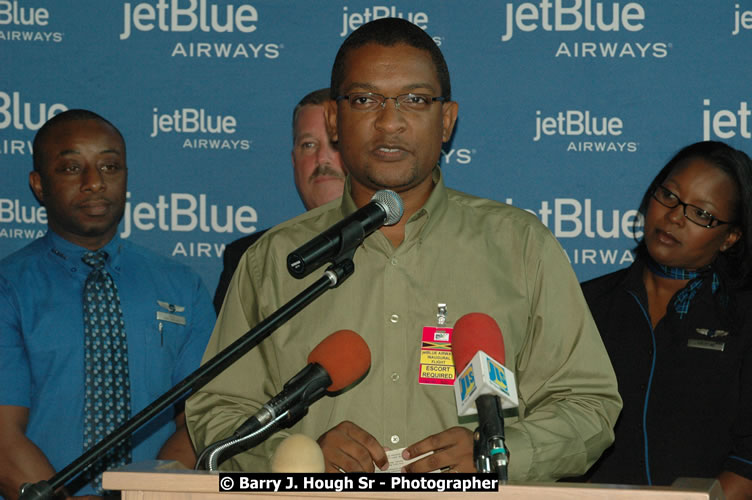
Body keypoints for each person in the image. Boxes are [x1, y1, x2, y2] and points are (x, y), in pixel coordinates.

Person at [186, 18, 621, 479]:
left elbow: (588, 404)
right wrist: (296, 457)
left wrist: (497, 452)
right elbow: (218, 408)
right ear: (334, 120)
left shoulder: (521, 246)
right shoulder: (275, 259)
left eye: (414, 100)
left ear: (447, 119)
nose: (390, 122)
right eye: (364, 100)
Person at [0, 109, 216, 499]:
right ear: (38, 184)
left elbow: (200, 422)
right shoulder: (7, 288)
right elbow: (3, 437)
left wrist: (150, 493)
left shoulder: (183, 287)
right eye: (70, 168)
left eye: (110, 166)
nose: (94, 183)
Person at [578, 141, 752, 497]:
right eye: (669, 195)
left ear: (730, 238)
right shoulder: (585, 304)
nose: (674, 216)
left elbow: (747, 463)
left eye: (701, 214)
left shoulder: (744, 319)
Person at [213, 88, 345, 312]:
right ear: (294, 161)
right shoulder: (251, 260)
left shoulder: (410, 253)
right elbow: (225, 346)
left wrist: (428, 348)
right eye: (308, 145)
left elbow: (428, 339)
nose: (322, 158)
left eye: (335, 143)